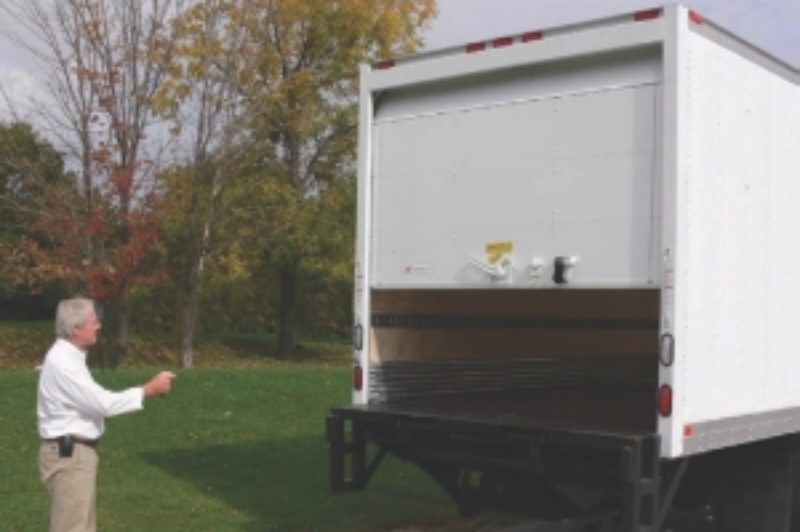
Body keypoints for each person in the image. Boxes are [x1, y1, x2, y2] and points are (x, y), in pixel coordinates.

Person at [37, 298, 176, 532]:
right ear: (75, 329)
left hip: (72, 455)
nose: (99, 325)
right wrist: (148, 390)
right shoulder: (64, 363)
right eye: (93, 321)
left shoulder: (68, 358)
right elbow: (102, 404)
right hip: (70, 457)